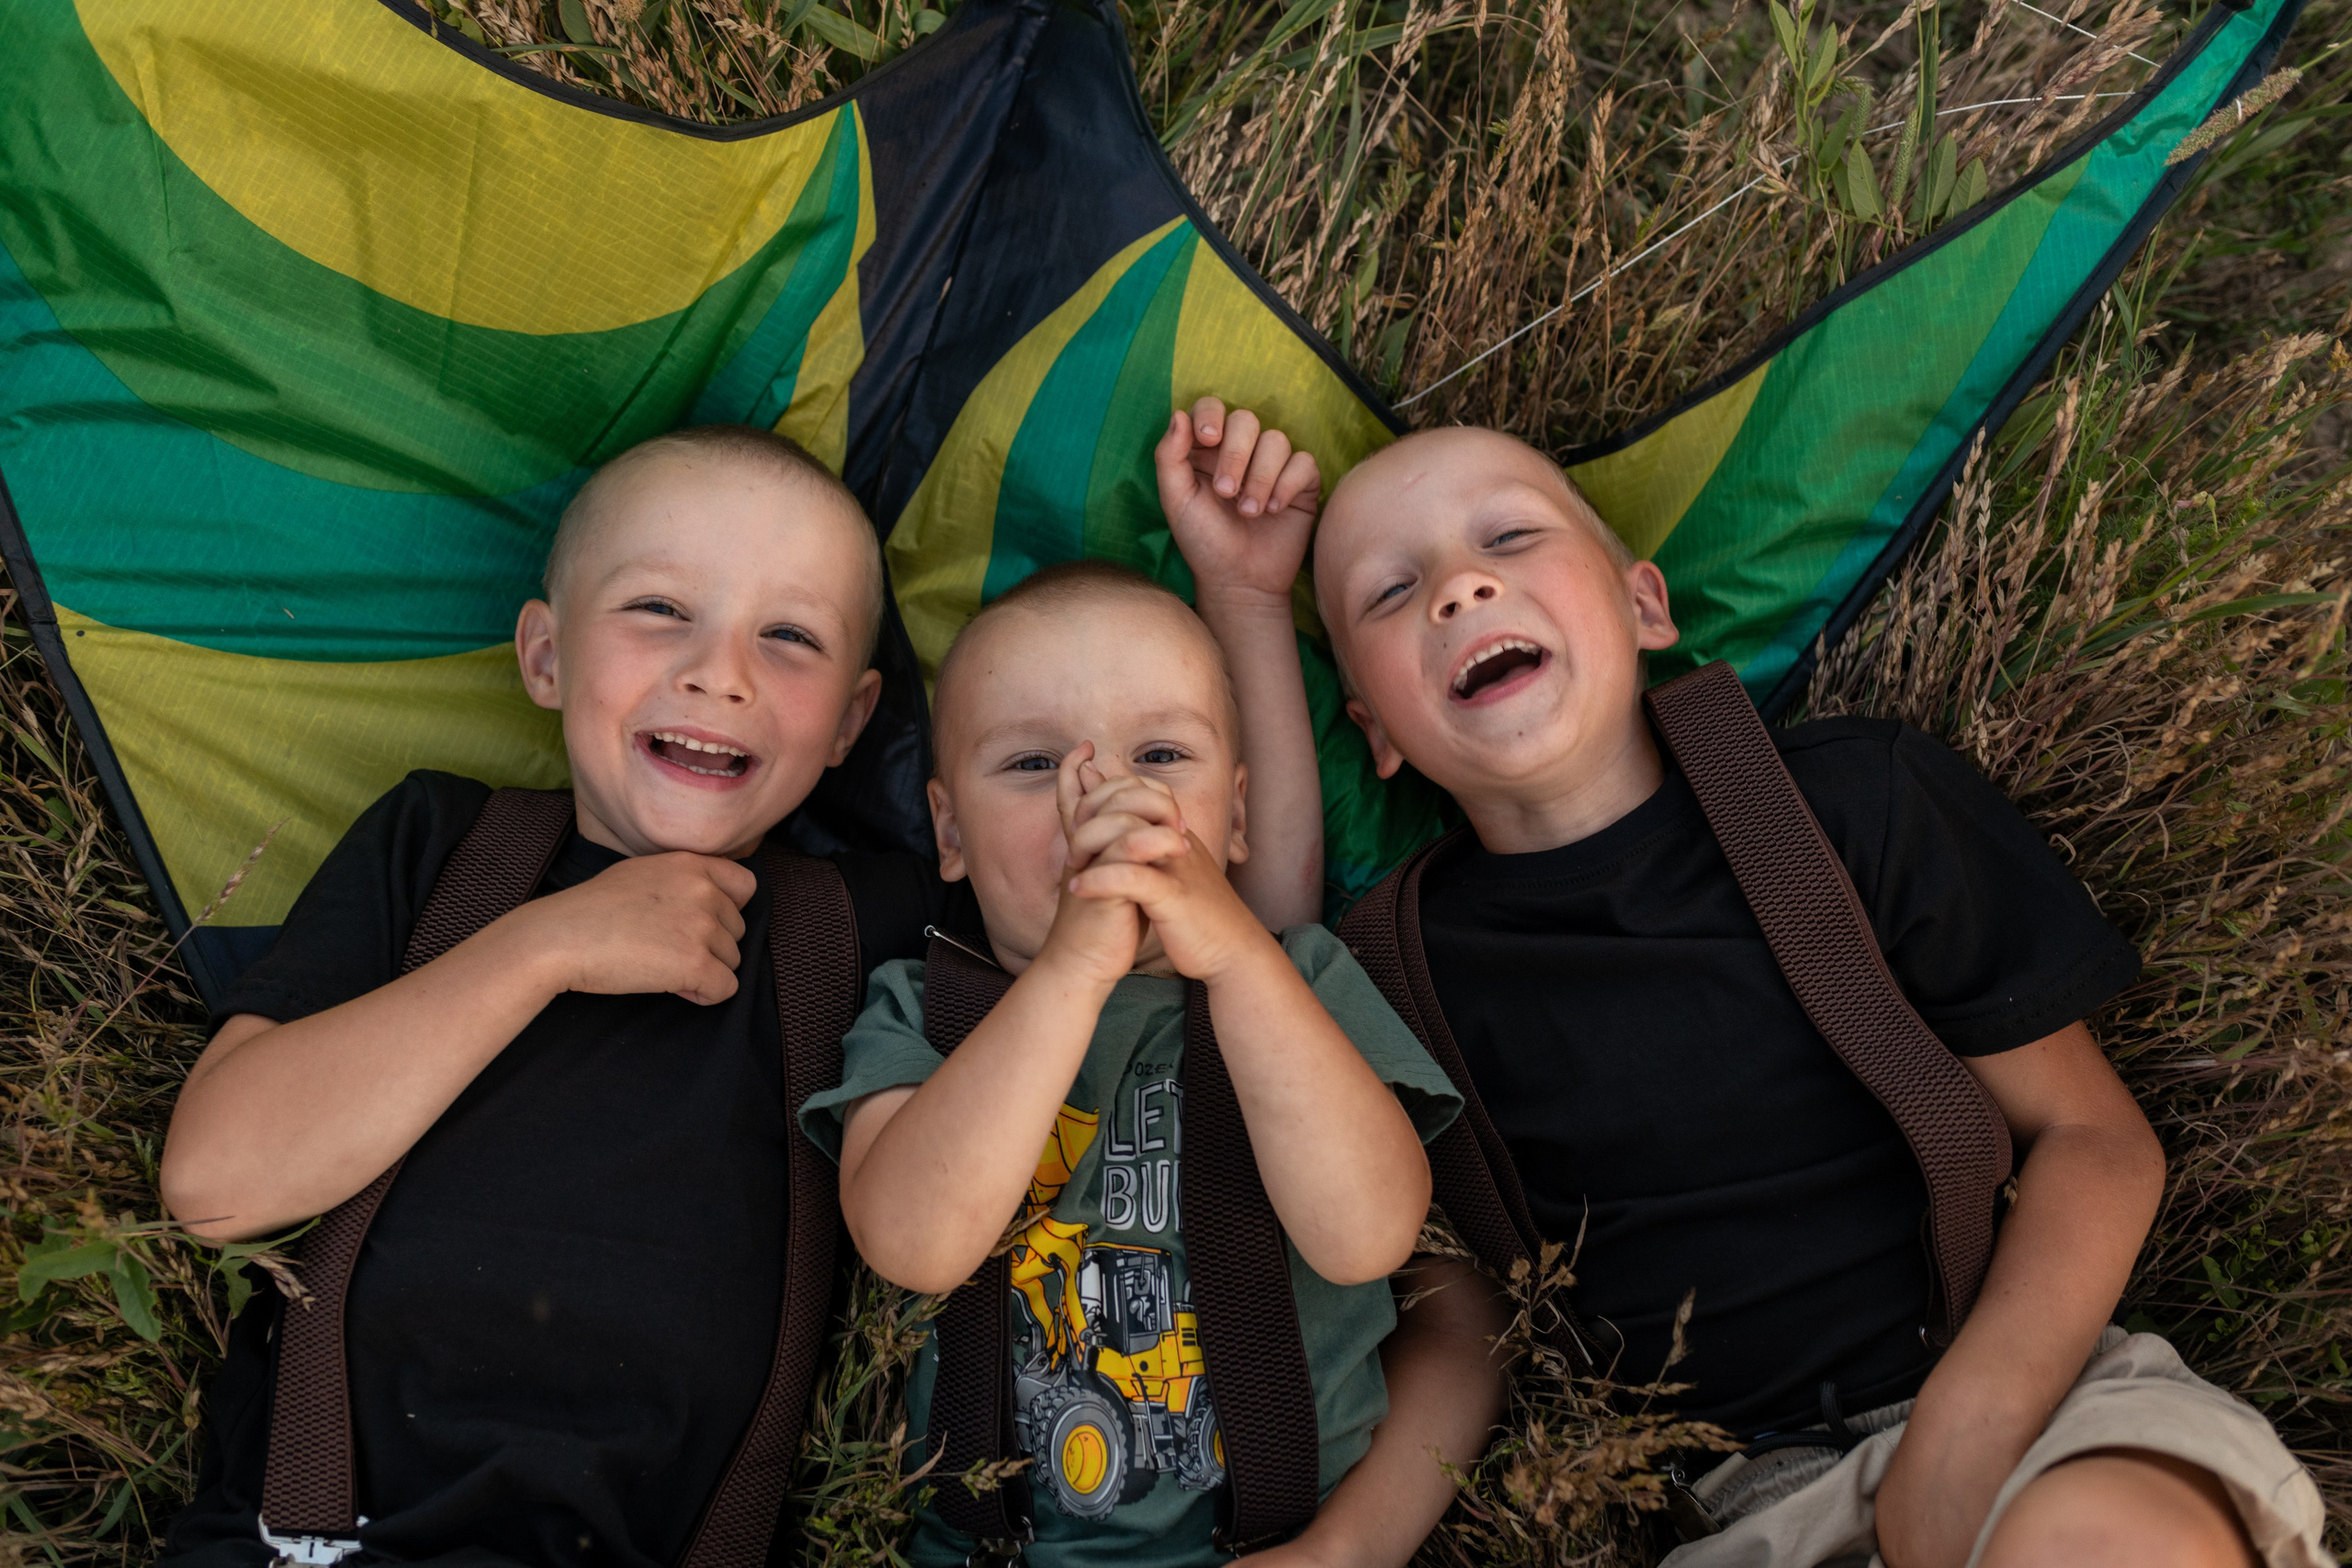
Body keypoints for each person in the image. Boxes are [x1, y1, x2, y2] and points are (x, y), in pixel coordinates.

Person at [1177, 411, 2332, 1568]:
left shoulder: (1849, 807)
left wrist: (1964, 1432)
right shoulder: (1407, 962)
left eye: (1511, 537)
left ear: (1644, 607)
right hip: (1750, 1511)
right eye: (1390, 592)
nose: (1460, 589)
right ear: (1372, 732)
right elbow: (1267, 950)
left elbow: (2094, 1137)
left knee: (2092, 1544)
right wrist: (1242, 600)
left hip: (2040, 1406)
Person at [155, 425, 966, 1565]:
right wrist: (543, 946)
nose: (719, 672)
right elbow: (213, 1182)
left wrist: (1238, 599)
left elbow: (1150, 889)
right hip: (314, 1546)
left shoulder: (864, 923)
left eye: (788, 636)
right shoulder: (441, 847)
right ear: (543, 657)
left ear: (848, 720)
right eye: (657, 610)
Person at [798, 556, 1471, 1568]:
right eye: (1032, 766)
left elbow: (1369, 1235)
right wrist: (1071, 966)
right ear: (949, 832)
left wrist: (1237, 953)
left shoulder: (1301, 982)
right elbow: (911, 1242)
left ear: (1234, 819)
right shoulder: (924, 1008)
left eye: (1159, 755)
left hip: (1278, 1541)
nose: (1102, 798)